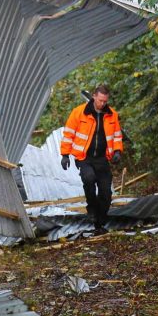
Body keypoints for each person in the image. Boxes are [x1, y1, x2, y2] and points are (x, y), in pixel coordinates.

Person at [59, 84, 123, 234]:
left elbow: (117, 135)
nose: (102, 104)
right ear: (94, 96)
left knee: (106, 192)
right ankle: (92, 210)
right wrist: (65, 155)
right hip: (84, 157)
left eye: (105, 101)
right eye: (100, 100)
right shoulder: (79, 112)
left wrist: (118, 151)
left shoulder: (111, 115)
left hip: (102, 158)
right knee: (89, 179)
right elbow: (68, 134)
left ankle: (100, 222)